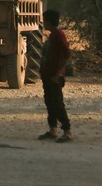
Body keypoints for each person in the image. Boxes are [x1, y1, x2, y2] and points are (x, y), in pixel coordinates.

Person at [38, 9, 74, 143]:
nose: (43, 23)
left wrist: (58, 74)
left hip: (54, 76)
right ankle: (53, 129)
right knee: (49, 102)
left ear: (49, 21)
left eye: (45, 20)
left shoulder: (59, 35)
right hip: (48, 74)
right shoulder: (53, 35)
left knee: (58, 103)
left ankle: (67, 131)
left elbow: (66, 55)